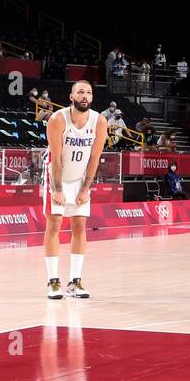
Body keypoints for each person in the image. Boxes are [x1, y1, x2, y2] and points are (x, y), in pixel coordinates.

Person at [42, 80, 107, 300]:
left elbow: (95, 157)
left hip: (80, 178)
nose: (85, 96)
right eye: (80, 92)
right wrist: (58, 189)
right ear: (71, 96)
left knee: (80, 226)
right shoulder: (58, 119)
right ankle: (53, 282)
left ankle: (75, 281)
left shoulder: (99, 121)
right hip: (57, 175)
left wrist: (86, 188)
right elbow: (56, 158)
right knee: (55, 224)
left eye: (89, 93)